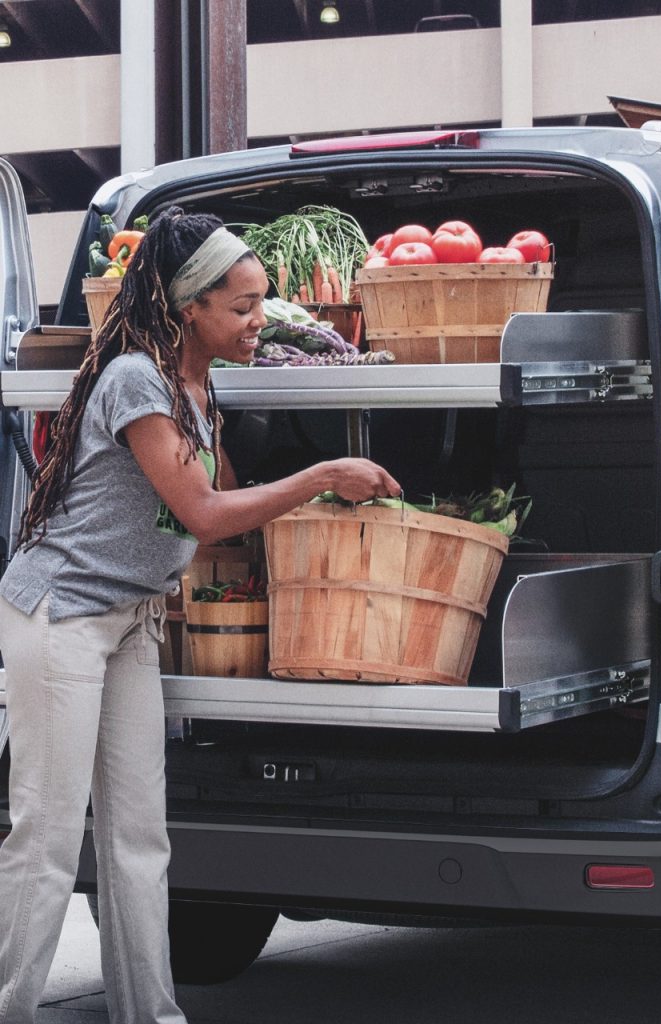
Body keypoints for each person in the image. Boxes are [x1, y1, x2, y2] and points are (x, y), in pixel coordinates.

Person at [0, 207, 400, 1023]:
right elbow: (203, 513)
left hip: (130, 622)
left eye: (262, 304)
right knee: (44, 843)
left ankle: (152, 1015)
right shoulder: (135, 380)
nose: (261, 322)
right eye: (243, 307)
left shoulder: (194, 380)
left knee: (140, 841)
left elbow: (207, 505)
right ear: (189, 307)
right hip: (64, 616)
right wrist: (321, 473)